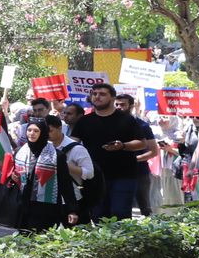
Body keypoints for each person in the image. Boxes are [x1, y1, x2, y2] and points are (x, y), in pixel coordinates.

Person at [70, 80, 156, 221]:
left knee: (120, 215)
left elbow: (142, 143)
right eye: (94, 94)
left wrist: (123, 146)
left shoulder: (127, 120)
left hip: (124, 175)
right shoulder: (84, 121)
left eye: (102, 94)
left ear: (112, 98)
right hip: (95, 176)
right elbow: (73, 143)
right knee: (98, 216)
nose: (97, 97)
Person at [12, 116, 91, 230]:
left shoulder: (56, 155)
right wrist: (13, 177)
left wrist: (72, 210)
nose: (32, 134)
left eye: (36, 131)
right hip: (23, 205)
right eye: (29, 130)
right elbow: (15, 175)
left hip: (46, 208)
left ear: (43, 133)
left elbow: (65, 183)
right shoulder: (20, 152)